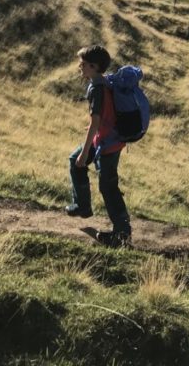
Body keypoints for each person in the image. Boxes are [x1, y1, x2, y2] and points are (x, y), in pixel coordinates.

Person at [66, 44, 132, 247]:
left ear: (94, 67)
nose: (80, 67)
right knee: (74, 161)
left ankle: (121, 234)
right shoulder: (103, 81)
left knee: (108, 187)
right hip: (107, 140)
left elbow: (95, 123)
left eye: (83, 64)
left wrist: (85, 153)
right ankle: (82, 206)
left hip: (108, 145)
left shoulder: (97, 88)